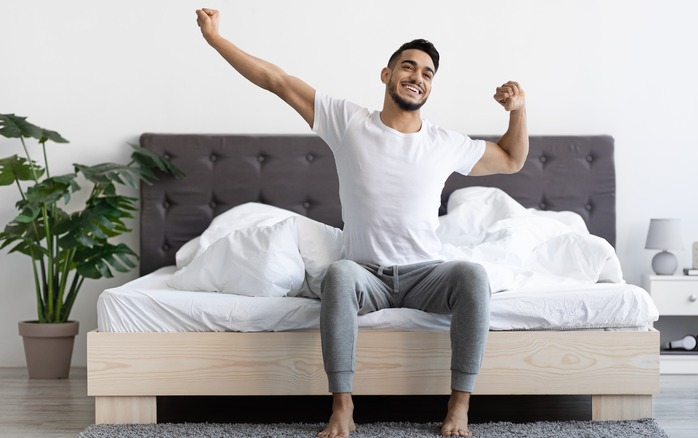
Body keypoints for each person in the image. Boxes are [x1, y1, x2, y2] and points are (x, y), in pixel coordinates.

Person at [195, 8, 528, 438]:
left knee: (472, 276)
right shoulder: (348, 122)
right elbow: (276, 81)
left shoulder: (445, 143)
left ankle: (459, 406)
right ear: (387, 74)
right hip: (366, 274)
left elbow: (512, 158)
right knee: (337, 274)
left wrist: (517, 111)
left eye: (427, 72)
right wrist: (215, 39)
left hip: (426, 273)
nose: (417, 76)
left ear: (431, 86)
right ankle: (343, 407)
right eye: (408, 66)